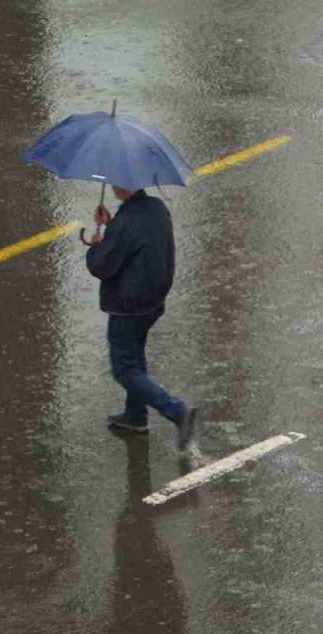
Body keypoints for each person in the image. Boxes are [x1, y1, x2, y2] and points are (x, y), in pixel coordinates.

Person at [85, 185, 196, 451]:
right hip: (152, 302)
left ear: (124, 186)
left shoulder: (125, 222)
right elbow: (138, 240)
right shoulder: (156, 208)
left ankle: (177, 411)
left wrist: (97, 244)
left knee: (124, 369)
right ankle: (136, 416)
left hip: (127, 306)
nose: (112, 186)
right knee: (135, 356)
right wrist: (111, 225)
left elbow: (101, 266)